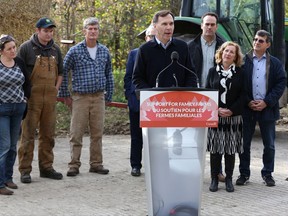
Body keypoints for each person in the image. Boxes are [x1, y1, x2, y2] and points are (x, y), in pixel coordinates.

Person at [58, 17, 114, 177]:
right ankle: (74, 165)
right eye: (90, 28)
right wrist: (64, 95)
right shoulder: (75, 51)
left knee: (97, 133)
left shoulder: (104, 51)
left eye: (95, 28)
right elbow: (63, 71)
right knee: (76, 133)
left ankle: (96, 164)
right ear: (84, 31)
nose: (93, 31)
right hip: (80, 97)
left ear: (98, 31)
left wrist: (108, 95)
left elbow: (108, 74)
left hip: (98, 97)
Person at [236, 30, 286, 187]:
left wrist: (267, 102)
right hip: (247, 108)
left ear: (268, 44)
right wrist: (248, 101)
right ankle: (244, 174)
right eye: (255, 39)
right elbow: (238, 85)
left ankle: (267, 174)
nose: (257, 42)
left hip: (267, 109)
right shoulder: (243, 61)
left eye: (261, 41)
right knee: (244, 144)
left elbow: (281, 83)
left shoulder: (275, 63)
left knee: (269, 144)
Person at [17, 17, 64, 183]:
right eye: (46, 31)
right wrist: (24, 94)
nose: (49, 34)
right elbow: (18, 73)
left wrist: (56, 89)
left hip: (50, 98)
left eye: (51, 31)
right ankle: (25, 170)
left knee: (48, 135)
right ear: (38, 31)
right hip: (32, 99)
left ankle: (46, 167)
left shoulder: (56, 50)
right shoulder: (25, 48)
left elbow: (61, 73)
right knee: (28, 135)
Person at [188, 11, 225, 182]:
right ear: (201, 25)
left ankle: (217, 171)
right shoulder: (190, 46)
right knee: (196, 137)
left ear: (216, 27)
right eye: (206, 24)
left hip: (217, 97)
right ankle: (194, 171)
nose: (209, 27)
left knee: (217, 137)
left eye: (212, 24)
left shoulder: (224, 46)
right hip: (196, 97)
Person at [206, 41, 244, 192]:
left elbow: (244, 95)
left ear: (235, 56)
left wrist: (232, 110)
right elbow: (207, 93)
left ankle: (229, 179)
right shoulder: (212, 71)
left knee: (230, 150)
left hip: (233, 117)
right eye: (226, 51)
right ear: (221, 53)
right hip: (216, 116)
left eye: (231, 52)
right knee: (215, 150)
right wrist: (217, 109)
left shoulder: (240, 73)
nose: (228, 54)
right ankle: (214, 179)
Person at [133, 10, 196, 89]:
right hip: (154, 99)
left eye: (171, 24)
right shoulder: (144, 49)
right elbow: (137, 78)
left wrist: (186, 92)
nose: (169, 27)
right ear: (155, 26)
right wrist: (150, 93)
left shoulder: (182, 47)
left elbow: (191, 75)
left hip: (179, 99)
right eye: (164, 24)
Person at [124, 24, 157, 177]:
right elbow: (128, 77)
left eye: (154, 36)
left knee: (154, 139)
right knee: (136, 137)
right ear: (145, 37)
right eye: (150, 36)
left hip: (155, 105)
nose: (152, 39)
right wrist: (130, 98)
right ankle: (135, 165)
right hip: (137, 103)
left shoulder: (161, 54)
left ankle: (154, 166)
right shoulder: (134, 54)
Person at [0, 35, 31, 195]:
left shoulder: (19, 62)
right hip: (2, 110)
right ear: (2, 51)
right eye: (9, 48)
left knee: (12, 146)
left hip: (18, 109)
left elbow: (27, 82)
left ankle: (8, 178)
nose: (13, 51)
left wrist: (25, 99)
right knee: (4, 146)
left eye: (14, 47)